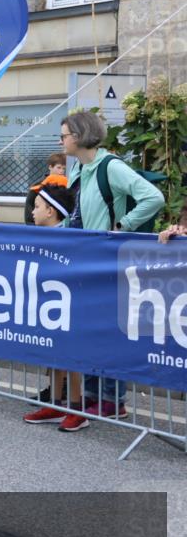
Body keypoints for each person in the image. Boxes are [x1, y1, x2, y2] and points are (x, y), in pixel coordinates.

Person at [62, 110, 166, 421]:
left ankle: (112, 399)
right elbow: (78, 217)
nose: (61, 140)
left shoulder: (111, 167)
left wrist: (122, 226)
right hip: (86, 260)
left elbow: (154, 197)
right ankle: (94, 396)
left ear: (79, 136)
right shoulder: (83, 169)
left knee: (106, 330)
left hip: (109, 262)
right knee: (90, 330)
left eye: (64, 134)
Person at [20, 185, 87, 432]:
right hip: (49, 304)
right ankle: (57, 405)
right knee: (54, 354)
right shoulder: (40, 236)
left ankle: (77, 409)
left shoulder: (68, 236)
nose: (33, 212)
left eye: (37, 207)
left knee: (71, 356)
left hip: (68, 304)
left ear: (50, 211)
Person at [24, 153, 68, 225]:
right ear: (50, 167)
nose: (61, 171)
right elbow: (29, 208)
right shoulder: (38, 186)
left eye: (64, 168)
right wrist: (31, 226)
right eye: (59, 167)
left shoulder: (66, 185)